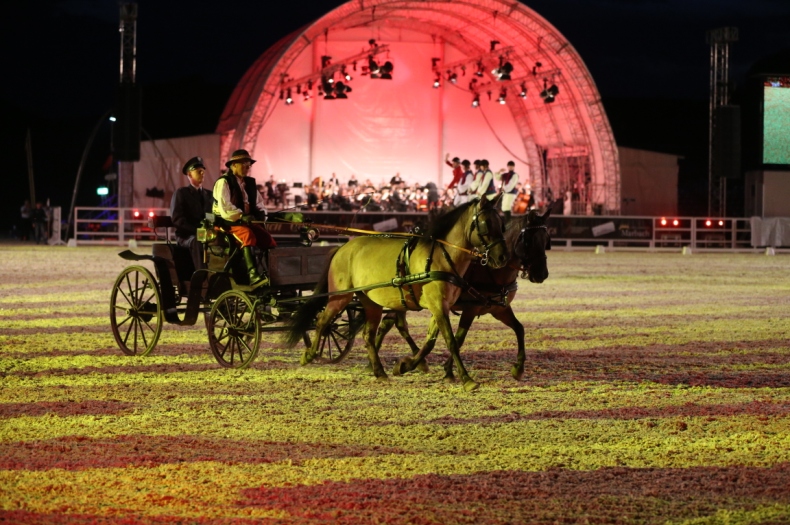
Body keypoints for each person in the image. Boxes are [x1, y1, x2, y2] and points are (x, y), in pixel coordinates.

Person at [212, 149, 276, 287]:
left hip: (246, 221)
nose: (248, 167)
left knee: (267, 239)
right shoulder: (223, 182)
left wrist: (260, 215)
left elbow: (260, 204)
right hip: (228, 223)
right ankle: (253, 274)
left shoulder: (249, 184)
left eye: (249, 164)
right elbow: (226, 208)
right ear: (233, 165)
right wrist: (242, 216)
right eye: (244, 164)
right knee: (247, 235)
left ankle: (269, 272)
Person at [170, 156, 213, 271]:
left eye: (203, 171)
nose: (202, 173)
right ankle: (202, 276)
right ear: (189, 174)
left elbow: (212, 216)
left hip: (206, 234)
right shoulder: (181, 193)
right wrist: (198, 231)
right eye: (198, 171)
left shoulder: (209, 195)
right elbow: (178, 220)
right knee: (199, 241)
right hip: (187, 236)